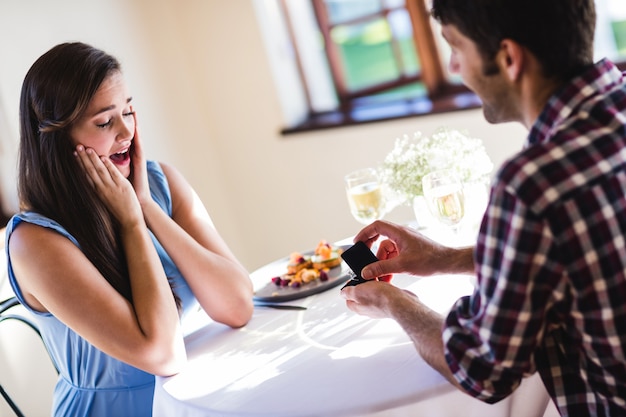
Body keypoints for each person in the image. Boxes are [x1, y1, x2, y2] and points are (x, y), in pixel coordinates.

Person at [341, 1, 626, 416]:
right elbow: (588, 254)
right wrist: (447, 258)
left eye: (456, 47)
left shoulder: (532, 185)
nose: (454, 67)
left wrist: (392, 301)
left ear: (509, 58)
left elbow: (483, 368)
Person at [4, 42, 254, 417]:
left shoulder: (160, 182)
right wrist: (132, 222)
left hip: (194, 400)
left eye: (129, 111)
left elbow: (237, 305)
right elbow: (162, 353)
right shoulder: (35, 241)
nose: (126, 132)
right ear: (57, 139)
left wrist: (147, 208)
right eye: (105, 122)